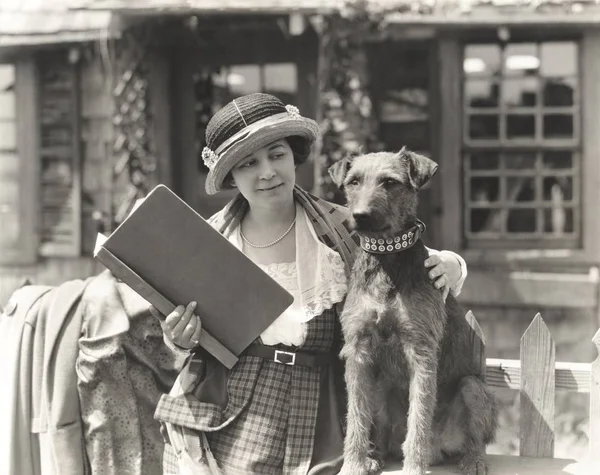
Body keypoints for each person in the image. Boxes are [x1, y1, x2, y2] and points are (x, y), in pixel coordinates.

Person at [153, 93, 468, 475]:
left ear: (295, 156)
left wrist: (453, 263)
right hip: (227, 411)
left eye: (277, 154)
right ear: (232, 176)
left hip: (319, 411)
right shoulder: (211, 242)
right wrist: (180, 337)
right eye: (248, 163)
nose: (267, 172)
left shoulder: (344, 226)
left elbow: (408, 257)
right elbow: (184, 331)